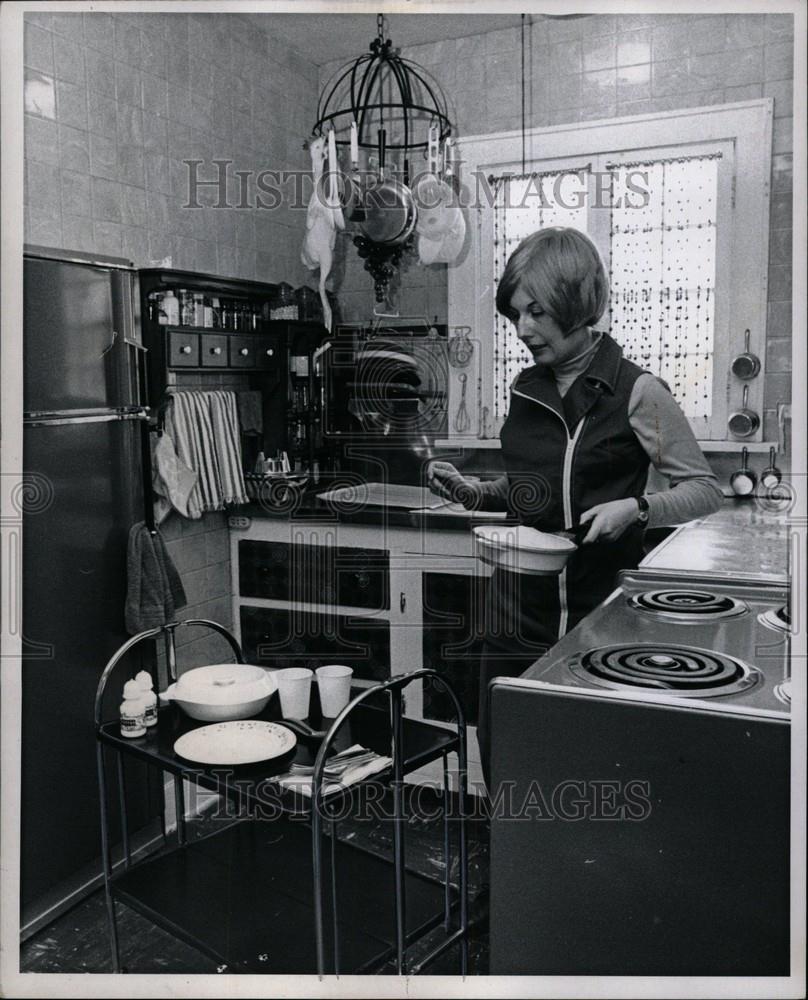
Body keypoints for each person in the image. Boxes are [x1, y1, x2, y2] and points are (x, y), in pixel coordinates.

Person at [428, 227, 723, 786]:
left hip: (599, 624)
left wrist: (635, 509)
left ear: (575, 303)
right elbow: (529, 491)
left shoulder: (638, 391)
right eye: (515, 315)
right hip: (513, 618)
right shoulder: (524, 390)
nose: (524, 330)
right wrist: (475, 492)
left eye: (537, 312)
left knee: (581, 775)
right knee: (508, 765)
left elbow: (704, 490)